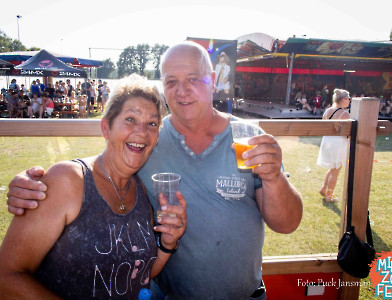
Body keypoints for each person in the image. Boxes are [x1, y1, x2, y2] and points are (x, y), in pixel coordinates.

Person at [6, 41, 302, 299]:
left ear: (213, 80)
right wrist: (37, 184)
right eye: (171, 81)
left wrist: (274, 177)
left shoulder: (249, 137)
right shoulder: (151, 140)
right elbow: (104, 164)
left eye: (193, 79)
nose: (182, 91)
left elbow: (287, 224)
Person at [0, 74, 187, 299]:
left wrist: (167, 244)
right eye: (130, 119)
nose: (142, 131)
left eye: (152, 123)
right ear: (106, 127)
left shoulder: (142, 192)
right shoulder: (68, 180)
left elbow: (136, 276)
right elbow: (7, 276)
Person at [317, 88, 351, 203]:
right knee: (336, 170)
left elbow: (323, 126)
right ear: (342, 99)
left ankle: (323, 188)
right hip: (338, 143)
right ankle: (329, 196)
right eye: (348, 98)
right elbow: (348, 131)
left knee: (333, 167)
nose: (349, 100)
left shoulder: (328, 111)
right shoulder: (345, 113)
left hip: (327, 141)